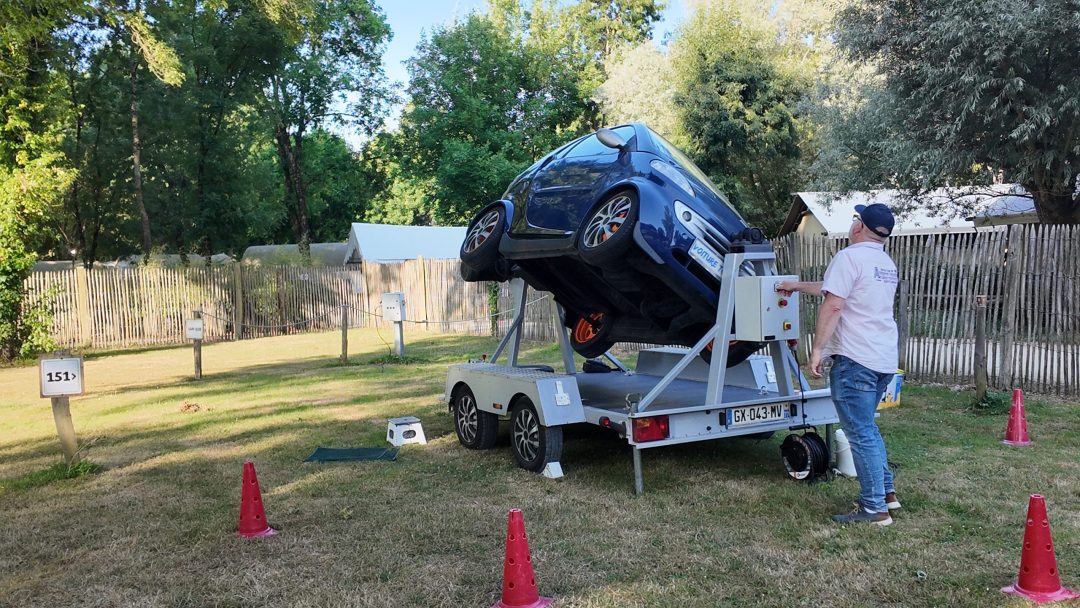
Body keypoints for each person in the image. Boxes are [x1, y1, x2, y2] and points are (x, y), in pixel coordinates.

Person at [777, 203, 901, 527]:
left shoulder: (849, 257)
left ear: (859, 227)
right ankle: (887, 493)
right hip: (882, 359)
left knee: (859, 433)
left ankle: (874, 508)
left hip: (855, 359)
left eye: (855, 219)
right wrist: (795, 286)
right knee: (867, 428)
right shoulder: (884, 263)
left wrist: (817, 350)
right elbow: (832, 288)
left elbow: (834, 304)